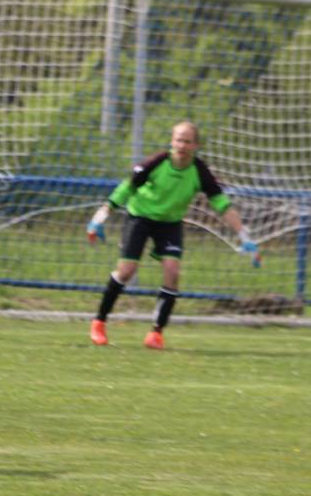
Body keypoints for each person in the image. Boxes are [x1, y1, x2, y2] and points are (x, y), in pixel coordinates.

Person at [86, 121, 260, 350]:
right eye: (178, 140)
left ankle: (156, 333)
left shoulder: (200, 171)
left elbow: (222, 205)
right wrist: (100, 217)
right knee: (126, 271)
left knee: (173, 272)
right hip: (140, 217)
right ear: (171, 141)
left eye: (188, 141)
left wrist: (245, 237)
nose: (182, 145)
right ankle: (99, 321)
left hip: (169, 224)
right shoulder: (156, 163)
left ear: (196, 145)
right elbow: (128, 187)